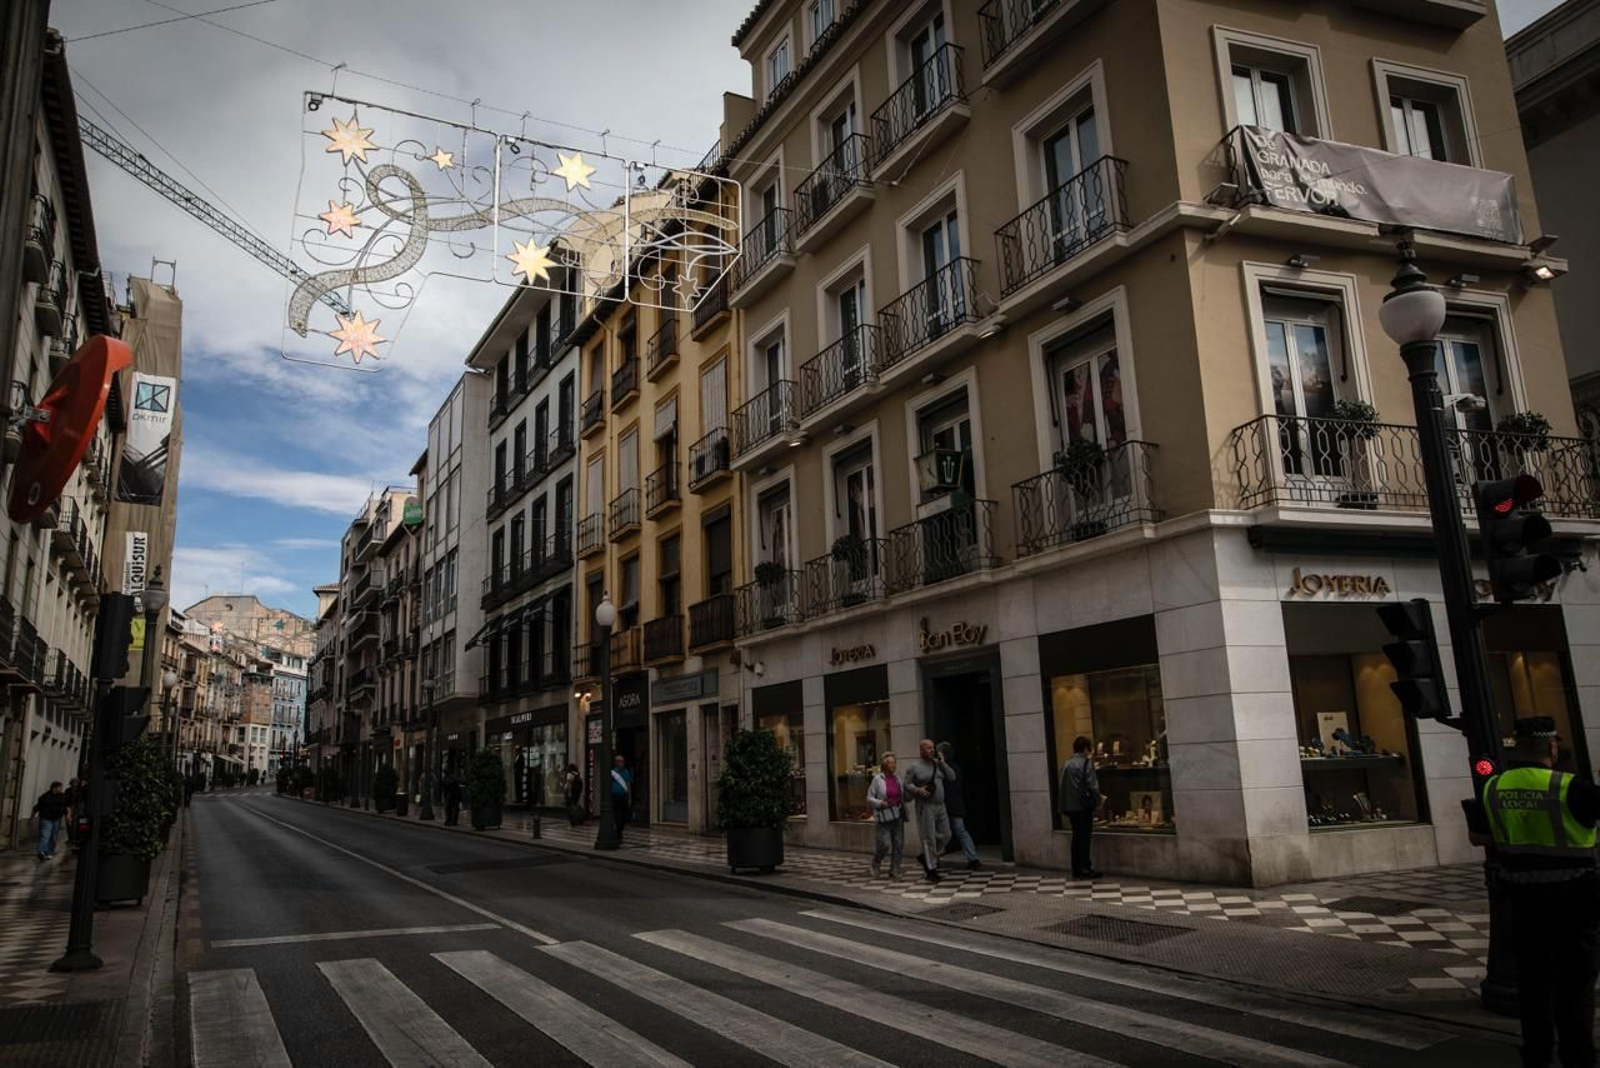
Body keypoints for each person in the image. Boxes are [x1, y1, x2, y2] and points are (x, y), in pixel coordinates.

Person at [1482, 717, 1600, 1068]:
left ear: (1516, 747)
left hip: (1522, 902)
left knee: (1533, 987)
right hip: (1574, 900)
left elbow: (1480, 835)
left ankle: (1537, 1056)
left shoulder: (1494, 787)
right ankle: (1577, 1057)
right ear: (1552, 747)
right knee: (1575, 989)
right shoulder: (1569, 786)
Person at [904, 738, 955, 882]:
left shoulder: (938, 764)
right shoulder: (914, 767)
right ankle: (931, 870)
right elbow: (906, 784)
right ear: (921, 750)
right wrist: (918, 790)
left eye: (933, 747)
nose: (932, 750)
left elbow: (952, 777)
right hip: (926, 806)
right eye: (929, 748)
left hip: (941, 805)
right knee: (928, 838)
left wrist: (943, 763)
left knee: (946, 835)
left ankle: (925, 856)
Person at [1059, 736, 1101, 880]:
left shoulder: (1067, 764)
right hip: (1083, 806)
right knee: (1084, 837)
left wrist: (1063, 806)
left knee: (1076, 836)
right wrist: (1098, 801)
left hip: (1071, 807)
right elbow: (1093, 785)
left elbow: (1062, 787)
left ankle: (1076, 868)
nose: (1089, 751)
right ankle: (1085, 868)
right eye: (1089, 748)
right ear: (1085, 748)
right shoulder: (1087, 764)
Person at [937, 742, 982, 871]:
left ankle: (934, 858)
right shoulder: (955, 768)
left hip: (947, 805)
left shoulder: (945, 769)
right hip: (955, 804)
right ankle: (972, 858)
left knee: (942, 833)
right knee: (960, 832)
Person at [867, 753, 905, 879]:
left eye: (894, 762)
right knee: (885, 845)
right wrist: (880, 803)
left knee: (898, 844)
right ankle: (876, 862)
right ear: (884, 765)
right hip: (883, 817)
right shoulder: (877, 779)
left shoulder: (897, 779)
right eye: (890, 763)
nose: (893, 765)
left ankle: (894, 870)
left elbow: (903, 796)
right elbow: (869, 798)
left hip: (897, 815)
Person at [31, 782, 68, 861]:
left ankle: (49, 852)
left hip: (56, 819)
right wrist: (32, 817)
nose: (61, 789)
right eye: (60, 787)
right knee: (45, 835)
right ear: (54, 788)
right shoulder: (45, 797)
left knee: (53, 836)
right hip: (46, 818)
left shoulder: (62, 796)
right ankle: (41, 851)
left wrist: (68, 815)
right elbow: (37, 807)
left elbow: (65, 807)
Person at [610, 754, 633, 838]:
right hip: (615, 796)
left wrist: (630, 798)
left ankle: (620, 829)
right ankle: (618, 831)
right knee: (617, 814)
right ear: (616, 762)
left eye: (622, 761)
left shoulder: (626, 772)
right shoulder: (612, 773)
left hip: (624, 796)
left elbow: (628, 785)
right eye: (619, 761)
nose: (621, 763)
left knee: (624, 815)